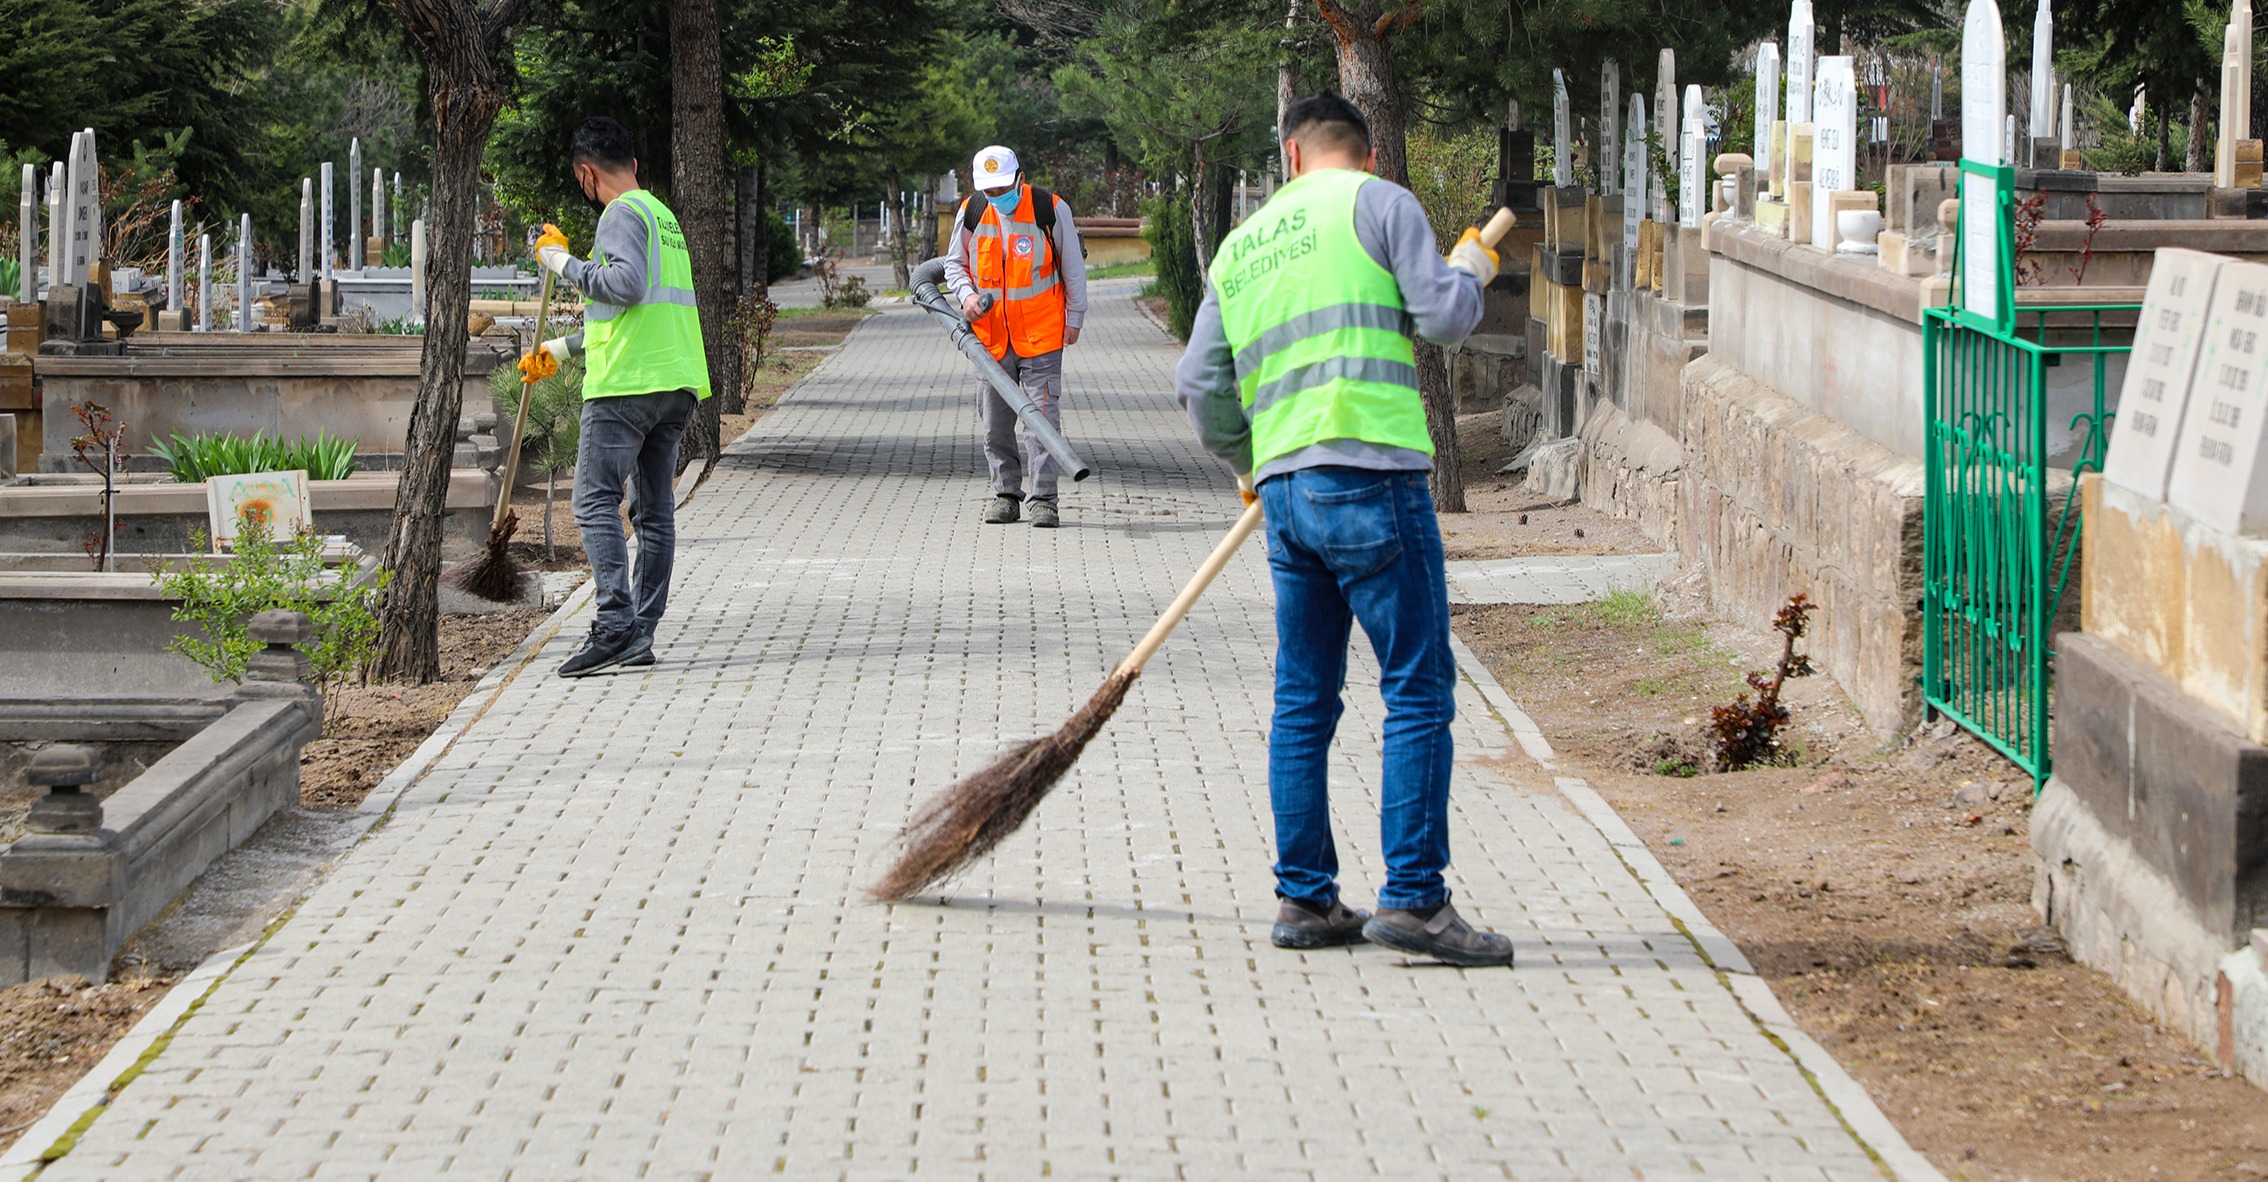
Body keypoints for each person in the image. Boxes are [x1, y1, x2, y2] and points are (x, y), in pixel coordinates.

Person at [1173, 93, 1511, 967]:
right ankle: (1416, 900)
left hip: (1287, 493)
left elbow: (1199, 384)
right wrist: (1470, 269)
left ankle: (1305, 898)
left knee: (1304, 698)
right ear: (1365, 154)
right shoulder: (1381, 204)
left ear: (1290, 157)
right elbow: (1443, 318)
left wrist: (1251, 460)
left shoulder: (1243, 245)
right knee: (1418, 688)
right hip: (1374, 480)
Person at [519, 116, 711, 678]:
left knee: (592, 501)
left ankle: (613, 624)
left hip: (626, 387)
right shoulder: (661, 216)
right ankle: (640, 633)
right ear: (633, 163)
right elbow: (634, 311)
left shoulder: (620, 213)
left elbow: (623, 286)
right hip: (673, 383)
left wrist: (558, 261)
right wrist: (561, 347)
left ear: (586, 173)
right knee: (653, 513)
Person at [942, 144, 1088, 528]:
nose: (996, 196)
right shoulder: (972, 211)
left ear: (1020, 179)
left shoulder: (1049, 209)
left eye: (1002, 189)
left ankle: (1044, 501)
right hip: (991, 339)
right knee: (995, 424)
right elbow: (954, 265)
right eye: (989, 190)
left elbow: (1072, 267)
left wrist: (1075, 317)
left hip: (1041, 335)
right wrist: (967, 297)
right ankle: (1006, 495)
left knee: (1042, 423)